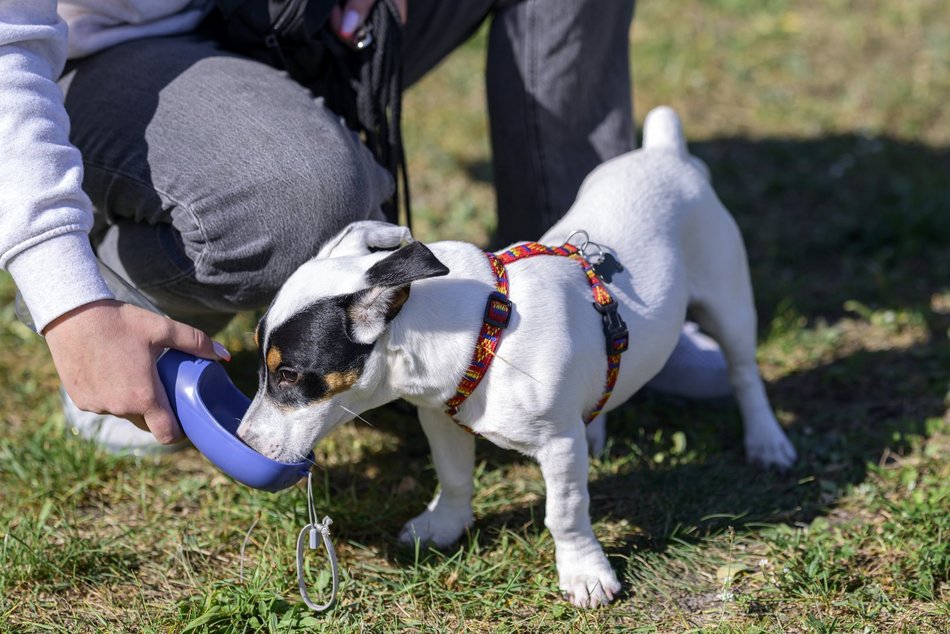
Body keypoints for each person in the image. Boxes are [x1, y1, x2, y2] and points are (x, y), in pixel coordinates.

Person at [1, 0, 728, 454]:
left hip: (282, 14)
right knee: (298, 201)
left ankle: (575, 318)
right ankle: (126, 299)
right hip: (97, 51)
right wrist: (71, 304)